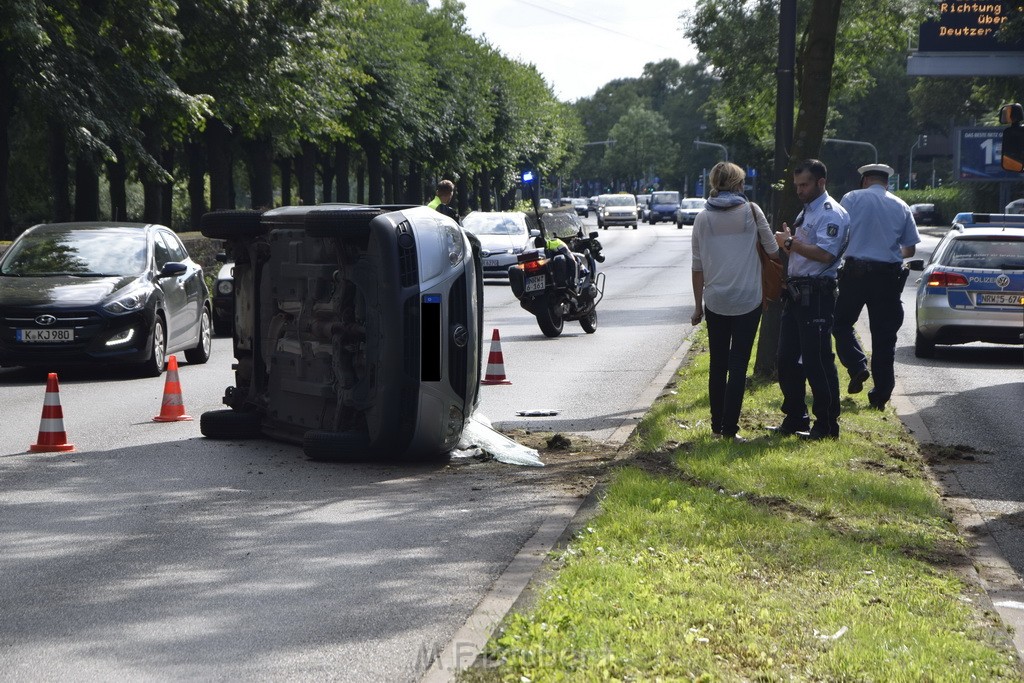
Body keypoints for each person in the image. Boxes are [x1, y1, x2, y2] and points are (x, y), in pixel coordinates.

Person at [690, 161, 781, 441]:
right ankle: (730, 430)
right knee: (738, 364)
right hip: (748, 299)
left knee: (717, 363)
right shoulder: (752, 212)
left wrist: (697, 306)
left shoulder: (702, 218)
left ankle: (716, 426)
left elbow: (697, 267)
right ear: (738, 184)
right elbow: (774, 252)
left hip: (716, 300)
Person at [771, 159, 850, 440]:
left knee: (817, 360)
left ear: (821, 182)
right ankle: (795, 418)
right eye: (796, 185)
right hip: (797, 293)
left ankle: (827, 425)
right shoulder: (807, 211)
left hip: (817, 294)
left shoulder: (831, 213)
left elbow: (826, 255)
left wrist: (790, 243)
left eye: (804, 185)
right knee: (786, 359)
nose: (799, 190)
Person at [834, 163, 920, 410]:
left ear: (864, 181)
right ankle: (880, 397)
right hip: (887, 278)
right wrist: (888, 252)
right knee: (884, 338)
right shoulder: (901, 205)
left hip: (855, 274)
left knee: (840, 323)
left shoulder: (851, 198)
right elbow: (910, 249)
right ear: (887, 183)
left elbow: (840, 233)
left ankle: (857, 364)